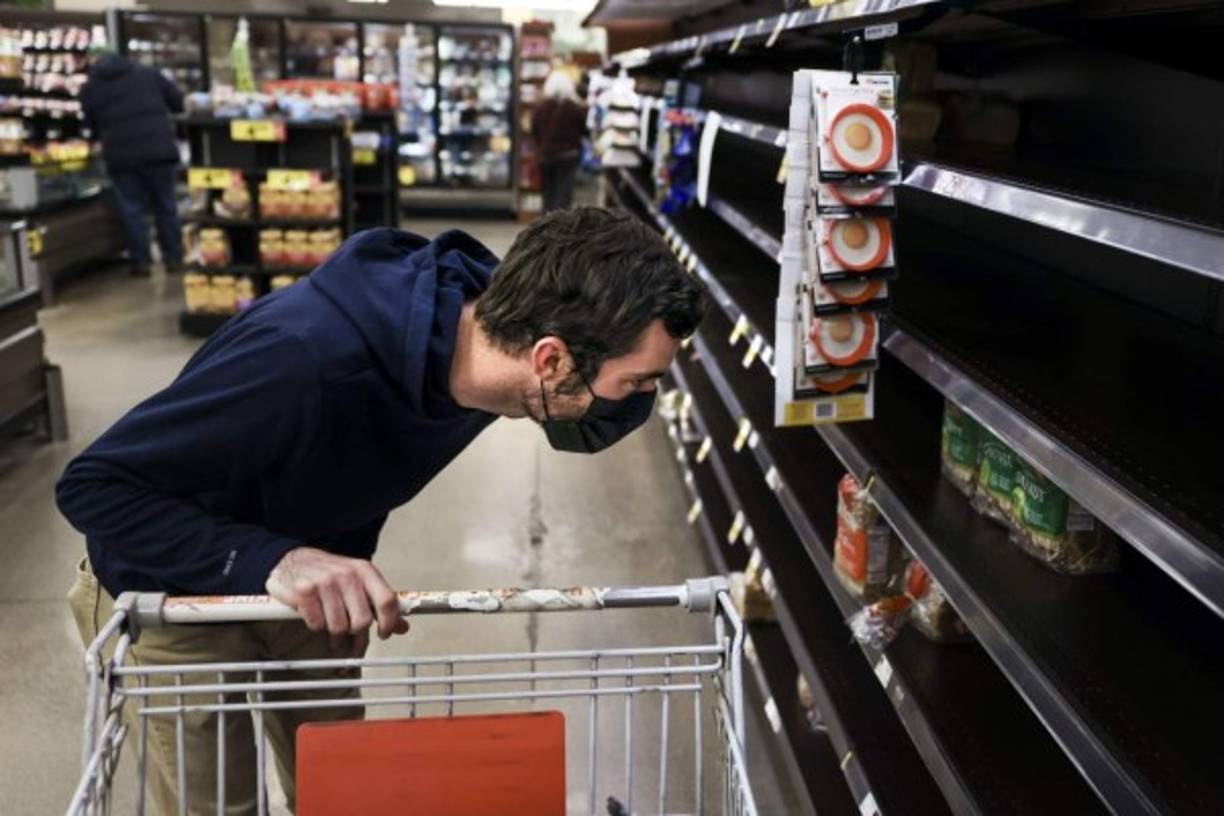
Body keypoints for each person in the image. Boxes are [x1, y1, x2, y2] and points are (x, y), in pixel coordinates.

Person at [57, 207, 705, 814]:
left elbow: (363, 453)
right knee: (220, 805)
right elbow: (94, 485)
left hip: (311, 584)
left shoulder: (496, 339)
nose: (639, 401)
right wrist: (270, 560)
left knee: (342, 787)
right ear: (551, 359)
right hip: (172, 595)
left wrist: (344, 555)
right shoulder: (303, 359)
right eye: (637, 382)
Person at [81, 52, 185, 276]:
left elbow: (88, 123)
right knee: (166, 206)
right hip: (158, 151)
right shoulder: (149, 74)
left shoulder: (92, 85)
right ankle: (174, 257)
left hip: (120, 156)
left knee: (131, 210)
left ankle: (141, 262)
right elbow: (178, 102)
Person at [531, 70, 587, 212]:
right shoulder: (575, 108)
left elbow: (535, 131)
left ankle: (546, 223)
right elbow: (583, 130)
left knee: (547, 193)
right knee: (564, 193)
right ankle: (561, 226)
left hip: (546, 155)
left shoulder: (540, 108)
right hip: (568, 155)